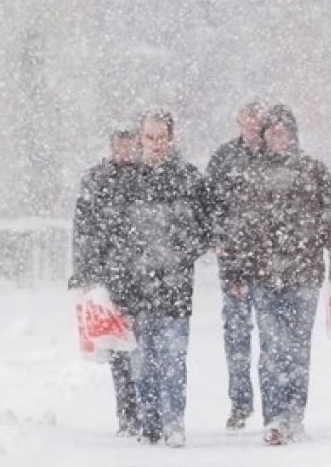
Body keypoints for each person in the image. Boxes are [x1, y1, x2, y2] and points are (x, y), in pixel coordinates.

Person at [222, 104, 331, 446]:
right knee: (271, 347)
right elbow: (239, 227)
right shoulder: (252, 175)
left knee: (298, 348)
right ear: (263, 137)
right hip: (264, 277)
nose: (278, 138)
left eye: (283, 131)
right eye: (271, 132)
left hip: (304, 275)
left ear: (293, 134)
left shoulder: (313, 171)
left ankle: (295, 413)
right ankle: (274, 416)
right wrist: (235, 269)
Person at [114, 109, 210, 448]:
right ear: (140, 139)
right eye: (149, 137)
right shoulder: (126, 183)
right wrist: (117, 285)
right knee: (141, 363)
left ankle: (174, 422)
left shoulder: (189, 178)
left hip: (175, 288)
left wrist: (186, 251)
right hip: (136, 289)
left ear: (171, 138)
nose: (155, 144)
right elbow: (115, 238)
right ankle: (149, 422)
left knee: (173, 360)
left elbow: (206, 227)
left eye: (161, 137)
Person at [68, 129, 141, 437]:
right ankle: (127, 413)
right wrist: (84, 272)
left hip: (143, 273)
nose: (124, 149)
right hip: (110, 273)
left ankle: (146, 408)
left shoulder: (146, 178)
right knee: (118, 346)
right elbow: (83, 228)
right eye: (119, 143)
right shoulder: (96, 179)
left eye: (129, 143)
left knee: (144, 345)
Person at [205, 100, 265, 430]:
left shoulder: (275, 155)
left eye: (258, 122)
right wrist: (218, 239)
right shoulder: (225, 158)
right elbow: (210, 202)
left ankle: (274, 403)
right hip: (234, 260)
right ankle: (240, 402)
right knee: (237, 334)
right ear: (238, 122)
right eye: (248, 121)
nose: (253, 127)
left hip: (272, 262)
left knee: (273, 338)